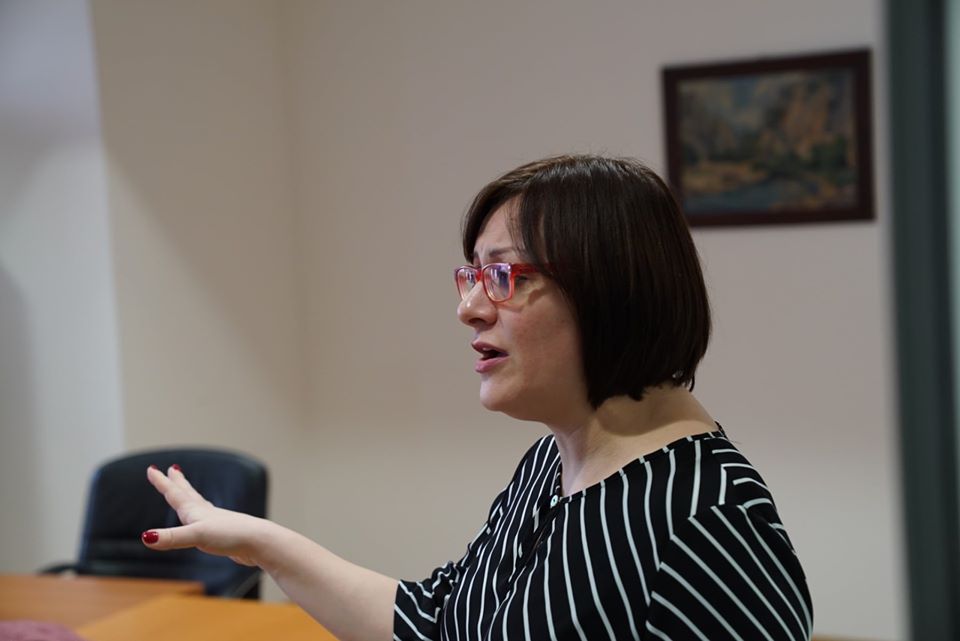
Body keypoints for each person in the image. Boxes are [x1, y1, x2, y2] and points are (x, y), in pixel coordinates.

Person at [142, 154, 813, 641]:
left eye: (502, 276)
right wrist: (261, 544)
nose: (469, 308)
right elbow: (440, 622)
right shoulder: (553, 464)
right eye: (472, 275)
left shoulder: (708, 519)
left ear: (610, 287)